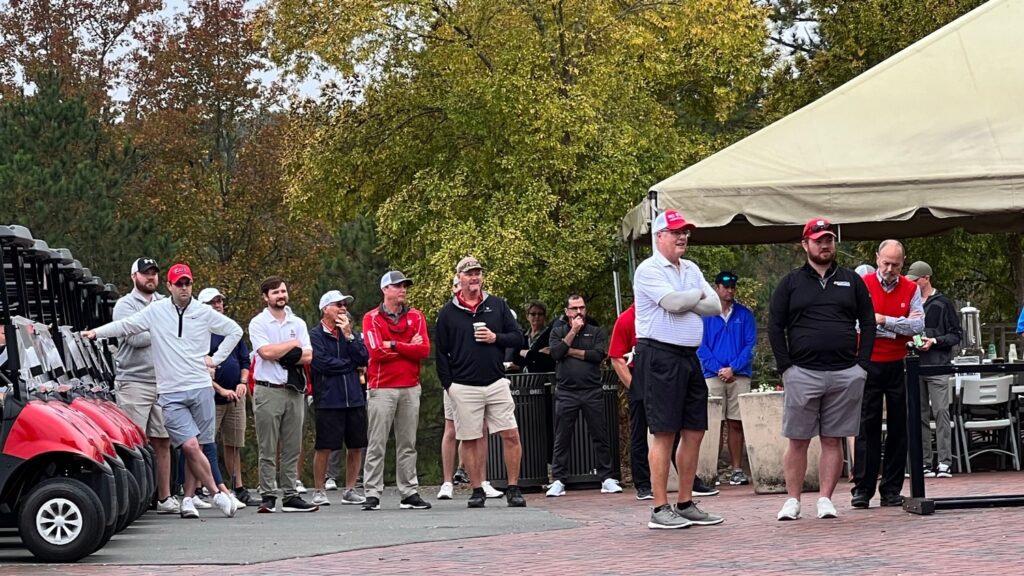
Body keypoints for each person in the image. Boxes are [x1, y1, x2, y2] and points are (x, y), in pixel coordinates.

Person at [84, 263, 242, 519]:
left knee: (199, 445)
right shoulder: (156, 311)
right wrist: (96, 333)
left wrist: (216, 359)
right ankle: (216, 493)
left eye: (187, 283)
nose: (183, 288)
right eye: (178, 284)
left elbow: (235, 331)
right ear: (169, 286)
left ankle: (189, 498)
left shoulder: (203, 312)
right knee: (188, 444)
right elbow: (126, 326)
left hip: (200, 386)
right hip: (170, 391)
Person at [769, 218, 875, 521]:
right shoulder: (790, 283)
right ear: (805, 245)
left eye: (828, 239)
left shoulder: (851, 280)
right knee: (798, 439)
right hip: (802, 372)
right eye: (818, 240)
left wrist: (862, 366)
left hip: (845, 373)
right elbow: (775, 327)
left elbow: (868, 322)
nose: (825, 244)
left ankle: (826, 499)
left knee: (833, 438)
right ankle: (792, 500)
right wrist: (786, 368)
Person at [633, 210, 724, 529]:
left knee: (695, 430)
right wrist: (695, 295)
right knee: (664, 432)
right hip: (658, 355)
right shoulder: (648, 269)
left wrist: (690, 298)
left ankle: (685, 502)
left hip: (688, 357)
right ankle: (659, 509)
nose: (682, 237)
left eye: (685, 232)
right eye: (675, 232)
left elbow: (715, 306)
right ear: (659, 237)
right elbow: (672, 304)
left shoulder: (691, 268)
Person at [436, 256, 527, 508]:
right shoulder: (448, 313)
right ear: (459, 278)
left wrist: (495, 337)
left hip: (496, 381)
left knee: (511, 434)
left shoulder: (497, 305)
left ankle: (513, 487)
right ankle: (477, 489)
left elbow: (519, 338)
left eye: (477, 273)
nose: (474, 277)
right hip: (463, 385)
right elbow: (440, 353)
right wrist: (449, 385)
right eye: (469, 274)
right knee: (471, 438)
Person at [852, 240, 924, 509]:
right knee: (866, 426)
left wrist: (885, 321)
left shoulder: (911, 288)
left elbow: (918, 325)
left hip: (898, 362)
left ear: (902, 263)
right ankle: (862, 488)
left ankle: (891, 489)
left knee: (899, 426)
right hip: (868, 361)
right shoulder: (863, 284)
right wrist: (894, 327)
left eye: (895, 264)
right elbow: (859, 323)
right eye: (885, 263)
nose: (889, 269)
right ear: (877, 258)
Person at [110, 258, 178, 514]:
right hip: (133, 381)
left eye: (154, 274)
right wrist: (162, 330)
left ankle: (164, 497)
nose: (150, 278)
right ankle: (131, 500)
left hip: (162, 381)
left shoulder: (164, 303)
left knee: (163, 441)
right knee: (132, 442)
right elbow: (135, 338)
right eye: (145, 274)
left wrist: (158, 329)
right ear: (134, 276)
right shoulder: (124, 305)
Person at [361, 271, 433, 511]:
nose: (402, 289)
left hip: (410, 386)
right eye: (397, 286)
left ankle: (409, 491)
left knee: (407, 442)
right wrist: (406, 347)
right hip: (382, 387)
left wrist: (392, 344)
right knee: (377, 442)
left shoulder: (416, 316)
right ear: (385, 289)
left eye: (404, 286)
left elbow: (423, 349)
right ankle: (372, 492)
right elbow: (375, 352)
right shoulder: (371, 318)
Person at [249, 276, 318, 513]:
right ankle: (268, 494)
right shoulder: (258, 323)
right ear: (265, 296)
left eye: (283, 291)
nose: (281, 296)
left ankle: (290, 494)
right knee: (267, 446)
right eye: (276, 292)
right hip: (268, 389)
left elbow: (308, 355)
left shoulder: (297, 323)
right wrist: (292, 346)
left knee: (292, 445)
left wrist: (285, 351)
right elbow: (265, 352)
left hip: (293, 390)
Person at [546, 294, 618, 497]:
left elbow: (597, 355)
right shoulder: (558, 331)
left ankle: (607, 478)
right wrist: (573, 332)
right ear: (567, 312)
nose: (579, 312)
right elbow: (556, 353)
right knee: (562, 436)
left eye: (582, 308)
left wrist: (571, 350)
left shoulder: (595, 332)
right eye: (575, 308)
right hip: (566, 391)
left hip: (592, 390)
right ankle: (559, 480)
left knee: (600, 435)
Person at [308, 290, 370, 508]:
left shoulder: (351, 334)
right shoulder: (315, 335)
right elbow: (321, 363)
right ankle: (319, 490)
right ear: (326, 309)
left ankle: (350, 489)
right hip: (328, 398)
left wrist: (349, 336)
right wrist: (350, 366)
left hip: (354, 397)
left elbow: (363, 357)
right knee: (325, 446)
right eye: (338, 305)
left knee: (356, 445)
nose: (343, 309)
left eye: (345, 305)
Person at [698, 271, 757, 486]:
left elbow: (750, 346)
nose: (729, 290)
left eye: (733, 286)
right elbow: (700, 346)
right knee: (712, 424)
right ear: (717, 288)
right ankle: (708, 471)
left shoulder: (744, 314)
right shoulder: (705, 315)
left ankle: (736, 469)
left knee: (736, 423)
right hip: (712, 376)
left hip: (738, 376)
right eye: (725, 286)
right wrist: (718, 369)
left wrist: (733, 368)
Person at [906, 261, 962, 478]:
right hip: (914, 366)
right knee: (918, 415)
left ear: (926, 278)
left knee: (941, 413)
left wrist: (935, 341)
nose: (911, 284)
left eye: (915, 280)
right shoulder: (909, 303)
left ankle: (945, 462)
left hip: (938, 365)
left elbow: (956, 334)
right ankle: (924, 463)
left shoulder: (943, 303)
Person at [198, 287, 252, 506]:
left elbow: (244, 361)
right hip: (211, 396)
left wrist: (242, 382)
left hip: (235, 396)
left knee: (234, 443)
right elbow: (197, 366)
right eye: (212, 303)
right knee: (205, 443)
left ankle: (237, 486)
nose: (218, 306)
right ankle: (203, 487)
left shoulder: (231, 330)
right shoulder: (199, 332)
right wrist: (220, 389)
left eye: (219, 302)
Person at [513, 300, 554, 373]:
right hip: (524, 380)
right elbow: (516, 359)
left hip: (544, 380)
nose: (537, 316)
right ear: (527, 316)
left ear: (544, 316)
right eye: (533, 314)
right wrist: (537, 353)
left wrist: (526, 353)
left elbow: (547, 361)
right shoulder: (523, 335)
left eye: (540, 314)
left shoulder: (551, 334)